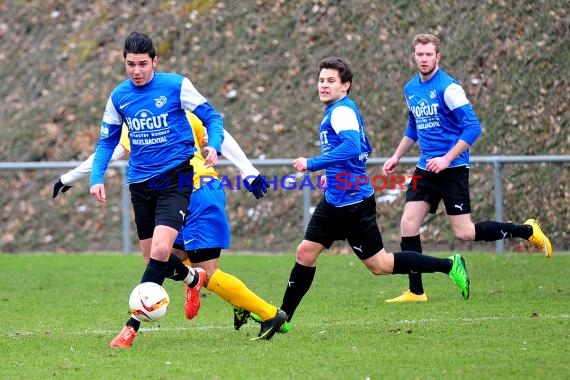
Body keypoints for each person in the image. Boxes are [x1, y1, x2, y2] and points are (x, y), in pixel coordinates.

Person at [277, 57, 471, 331]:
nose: (324, 85)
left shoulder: (341, 112)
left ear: (346, 86)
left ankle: (449, 265)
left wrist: (313, 164)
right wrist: (333, 177)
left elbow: (353, 147)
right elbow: (357, 152)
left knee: (380, 265)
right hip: (335, 199)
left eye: (331, 81)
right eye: (321, 80)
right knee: (305, 253)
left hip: (354, 204)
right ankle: (283, 318)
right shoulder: (337, 110)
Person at [55, 112, 285, 341]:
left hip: (199, 192)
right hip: (173, 196)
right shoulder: (148, 117)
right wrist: (70, 177)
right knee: (164, 257)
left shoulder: (169, 112)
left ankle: (270, 315)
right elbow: (109, 150)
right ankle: (223, 296)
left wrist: (248, 170)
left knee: (205, 271)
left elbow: (218, 134)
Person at [382, 33, 552, 303]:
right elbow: (413, 127)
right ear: (413, 56)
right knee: (407, 224)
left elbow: (473, 127)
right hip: (426, 169)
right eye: (419, 54)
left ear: (438, 57)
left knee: (465, 233)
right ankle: (416, 291)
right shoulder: (410, 88)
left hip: (452, 169)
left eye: (429, 54)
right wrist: (395, 156)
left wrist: (447, 158)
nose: (424, 59)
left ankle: (528, 231)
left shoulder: (448, 88)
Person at [89, 31, 222, 349]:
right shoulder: (119, 96)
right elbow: (107, 140)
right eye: (130, 64)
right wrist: (97, 176)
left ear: (155, 62)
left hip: (174, 179)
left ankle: (131, 327)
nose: (136, 71)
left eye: (142, 64)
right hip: (140, 183)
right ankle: (193, 278)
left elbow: (212, 116)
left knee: (162, 251)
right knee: (151, 257)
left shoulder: (176, 85)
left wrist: (213, 145)